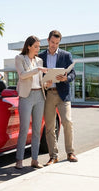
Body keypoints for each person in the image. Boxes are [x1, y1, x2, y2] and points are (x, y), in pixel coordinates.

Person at [38, 30, 78, 165]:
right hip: (48, 94)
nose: (54, 45)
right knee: (49, 126)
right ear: (48, 40)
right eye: (52, 42)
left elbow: (73, 74)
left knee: (67, 122)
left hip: (63, 94)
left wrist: (66, 78)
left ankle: (70, 152)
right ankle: (53, 156)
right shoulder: (41, 57)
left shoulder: (66, 55)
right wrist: (45, 82)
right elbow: (38, 76)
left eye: (57, 43)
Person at [14, 35, 52, 169]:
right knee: (24, 129)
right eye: (35, 46)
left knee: (37, 130)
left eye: (39, 47)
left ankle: (34, 160)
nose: (38, 49)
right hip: (26, 95)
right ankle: (19, 160)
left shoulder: (39, 61)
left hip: (39, 96)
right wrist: (37, 70)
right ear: (29, 46)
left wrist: (47, 83)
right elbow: (23, 75)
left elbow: (40, 81)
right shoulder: (20, 58)